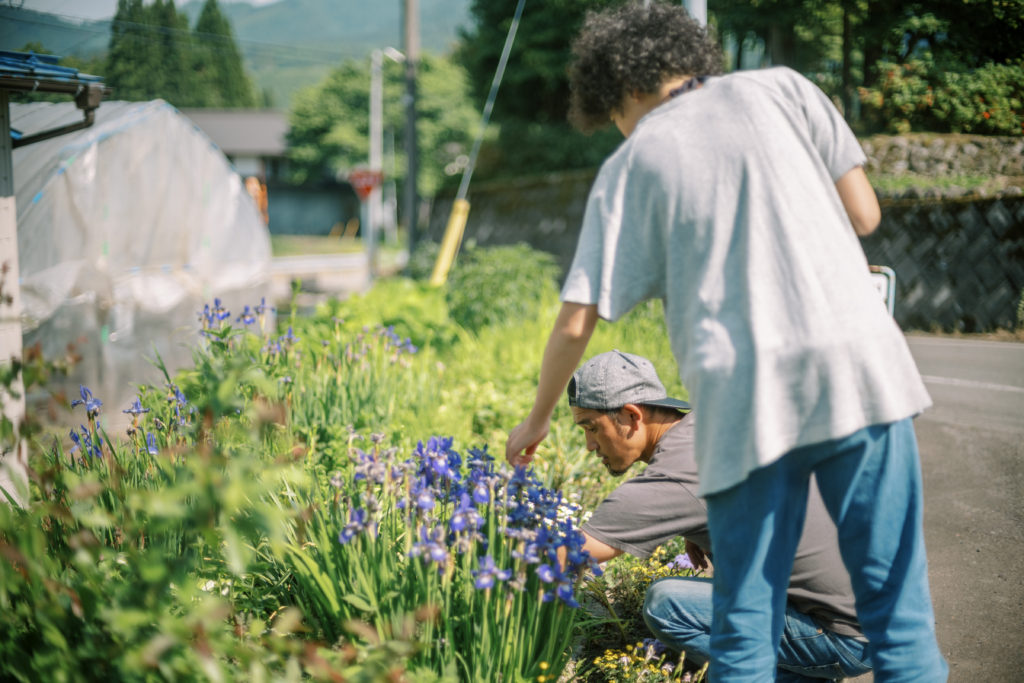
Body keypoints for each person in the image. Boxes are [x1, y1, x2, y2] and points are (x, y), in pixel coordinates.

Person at [505, 3, 946, 680]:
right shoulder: (785, 88)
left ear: (621, 86)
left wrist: (535, 422)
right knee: (901, 627)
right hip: (867, 375)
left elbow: (574, 322)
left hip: (748, 403)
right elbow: (864, 212)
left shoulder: (632, 164)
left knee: (744, 636)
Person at [568, 350, 871, 681]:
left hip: (848, 636)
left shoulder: (675, 477)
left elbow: (569, 552)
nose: (589, 445)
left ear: (630, 416)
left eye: (591, 427)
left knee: (667, 605)